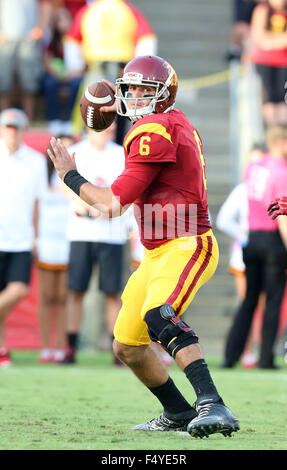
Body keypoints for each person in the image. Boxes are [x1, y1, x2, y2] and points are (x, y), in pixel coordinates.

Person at [47, 55, 240, 438]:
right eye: (130, 88)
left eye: (142, 89)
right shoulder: (168, 124)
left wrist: (69, 174)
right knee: (127, 345)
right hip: (156, 251)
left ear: (163, 95)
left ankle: (213, 404)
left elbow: (111, 204)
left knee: (159, 314)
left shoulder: (154, 129)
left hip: (187, 243)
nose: (133, 96)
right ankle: (178, 413)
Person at [59, 122, 138, 366]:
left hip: (111, 233)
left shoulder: (120, 154)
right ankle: (70, 347)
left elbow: (129, 189)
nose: (110, 129)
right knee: (76, 290)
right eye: (105, 125)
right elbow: (64, 184)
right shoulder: (77, 151)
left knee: (112, 292)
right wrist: (86, 207)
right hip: (81, 232)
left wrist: (109, 209)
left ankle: (117, 350)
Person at [222, 125, 287, 369]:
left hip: (252, 238)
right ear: (280, 142)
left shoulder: (254, 168)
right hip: (272, 240)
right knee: (272, 299)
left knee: (249, 301)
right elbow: (281, 213)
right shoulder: (281, 172)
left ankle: (231, 355)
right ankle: (266, 358)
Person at [63, 0, 158, 142]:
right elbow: (146, 39)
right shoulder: (127, 10)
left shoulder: (89, 10)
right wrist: (141, 71)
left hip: (97, 69)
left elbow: (71, 39)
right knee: (119, 111)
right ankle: (115, 145)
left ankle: (91, 143)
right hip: (122, 72)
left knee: (92, 108)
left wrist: (75, 66)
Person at [0, 108, 48, 367]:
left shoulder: (35, 161)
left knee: (18, 290)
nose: (12, 132)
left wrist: (36, 239)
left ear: (24, 131)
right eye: (8, 127)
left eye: (16, 128)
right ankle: (2, 350)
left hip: (21, 239)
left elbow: (37, 205)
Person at [216, 143, 266, 368]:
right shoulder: (242, 190)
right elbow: (223, 220)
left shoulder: (272, 187)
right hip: (246, 254)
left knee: (264, 305)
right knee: (248, 302)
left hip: (268, 252)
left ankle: (260, 349)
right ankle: (245, 350)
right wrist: (244, 234)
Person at [37, 135, 74, 364]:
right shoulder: (41, 177)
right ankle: (45, 346)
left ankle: (61, 345)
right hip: (46, 242)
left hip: (69, 240)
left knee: (62, 297)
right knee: (46, 296)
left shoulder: (76, 176)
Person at [0, 0, 53, 121]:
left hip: (28, 39)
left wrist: (40, 29)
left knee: (29, 82)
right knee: (3, 81)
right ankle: (4, 122)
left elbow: (47, 5)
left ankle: (28, 120)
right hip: (5, 39)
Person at [42, 7, 85, 135]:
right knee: (49, 83)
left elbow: (84, 64)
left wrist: (71, 74)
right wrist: (56, 72)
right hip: (58, 76)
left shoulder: (79, 39)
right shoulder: (53, 41)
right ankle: (54, 120)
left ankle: (70, 121)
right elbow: (47, 60)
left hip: (75, 75)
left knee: (77, 84)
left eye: (63, 19)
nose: (60, 23)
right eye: (58, 20)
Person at [250, 0, 287, 126]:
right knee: (269, 100)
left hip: (284, 62)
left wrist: (270, 42)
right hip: (264, 62)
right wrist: (278, 41)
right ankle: (271, 130)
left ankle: (281, 132)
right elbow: (259, 36)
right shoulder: (263, 10)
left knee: (282, 99)